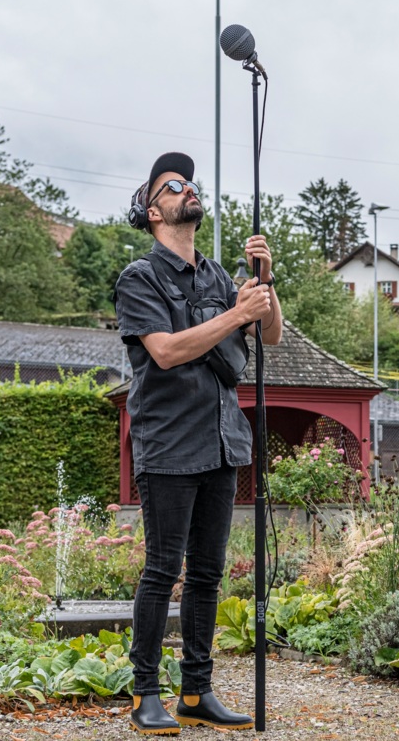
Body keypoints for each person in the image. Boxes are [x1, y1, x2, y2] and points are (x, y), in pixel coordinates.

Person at [115, 152, 283, 735]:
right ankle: (145, 694)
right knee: (163, 568)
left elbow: (270, 334)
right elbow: (164, 351)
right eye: (172, 185)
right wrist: (234, 312)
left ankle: (196, 691)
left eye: (189, 182)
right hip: (168, 441)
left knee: (209, 574)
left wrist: (264, 285)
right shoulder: (140, 277)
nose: (187, 189)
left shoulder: (216, 276)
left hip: (220, 439)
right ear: (153, 211)